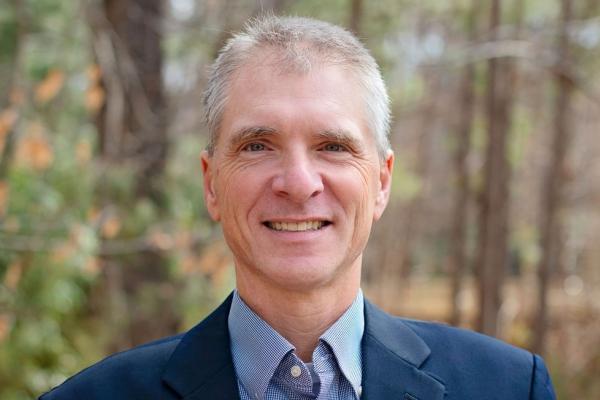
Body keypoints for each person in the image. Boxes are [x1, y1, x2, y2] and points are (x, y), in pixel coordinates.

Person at [40, 15, 556, 400]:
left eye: (332, 146)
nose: (298, 183)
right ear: (211, 184)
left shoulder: (509, 386)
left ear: (381, 182)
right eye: (257, 146)